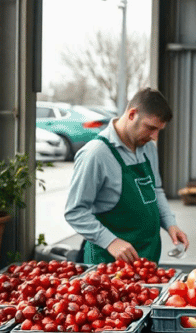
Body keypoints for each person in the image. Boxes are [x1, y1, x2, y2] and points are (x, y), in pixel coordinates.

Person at [65, 88, 188, 264]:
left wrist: (170, 224)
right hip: (107, 264)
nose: (154, 137)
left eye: (159, 130)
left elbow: (155, 190)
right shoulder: (96, 154)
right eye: (151, 128)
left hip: (147, 258)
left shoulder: (148, 149)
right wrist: (110, 241)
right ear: (132, 114)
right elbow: (75, 212)